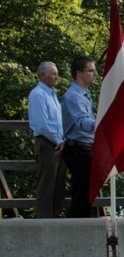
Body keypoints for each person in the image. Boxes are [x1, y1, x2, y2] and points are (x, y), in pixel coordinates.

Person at [27, 61, 67, 218]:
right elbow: (42, 124)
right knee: (46, 187)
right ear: (42, 75)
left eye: (56, 73)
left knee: (58, 187)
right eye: (53, 74)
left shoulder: (52, 94)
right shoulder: (38, 94)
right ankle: (43, 224)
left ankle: (54, 220)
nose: (56, 77)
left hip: (57, 143)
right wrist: (59, 140)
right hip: (47, 143)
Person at [61, 56, 98, 218]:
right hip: (78, 149)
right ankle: (76, 231)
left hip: (85, 148)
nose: (95, 74)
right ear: (79, 73)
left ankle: (82, 229)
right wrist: (104, 124)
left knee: (86, 195)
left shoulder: (84, 94)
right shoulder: (74, 96)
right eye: (91, 70)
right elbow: (82, 123)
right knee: (81, 195)